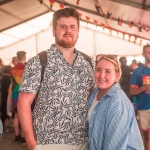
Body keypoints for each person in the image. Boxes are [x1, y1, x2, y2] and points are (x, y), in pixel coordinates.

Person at [18, 7, 94, 150]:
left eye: (72, 27)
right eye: (62, 26)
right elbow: (23, 103)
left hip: (84, 142)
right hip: (48, 143)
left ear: (78, 31)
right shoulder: (39, 62)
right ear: (54, 31)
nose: (68, 31)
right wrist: (32, 145)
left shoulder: (89, 63)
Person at [88, 54, 144, 150]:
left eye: (108, 71)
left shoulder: (117, 102)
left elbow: (114, 146)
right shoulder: (95, 93)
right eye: (98, 70)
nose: (102, 75)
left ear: (117, 76)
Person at [130, 45, 150, 150]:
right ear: (143, 55)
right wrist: (144, 88)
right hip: (144, 107)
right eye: (148, 52)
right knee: (147, 136)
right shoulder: (138, 72)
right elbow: (132, 91)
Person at [11, 51, 26, 144]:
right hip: (23, 90)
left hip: (15, 90)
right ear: (24, 57)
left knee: (16, 114)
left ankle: (17, 136)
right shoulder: (26, 67)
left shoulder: (13, 68)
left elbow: (12, 81)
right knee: (24, 114)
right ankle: (23, 137)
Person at [1, 65, 12, 132]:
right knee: (4, 114)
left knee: (4, 113)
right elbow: (8, 89)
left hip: (4, 96)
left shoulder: (3, 77)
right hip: (7, 97)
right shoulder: (7, 78)